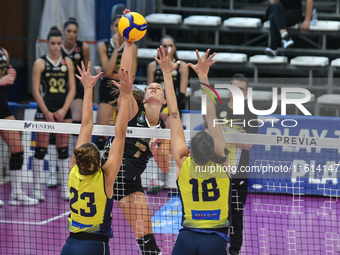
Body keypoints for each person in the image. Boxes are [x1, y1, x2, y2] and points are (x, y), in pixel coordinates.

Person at [101, 10, 171, 254]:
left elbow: (165, 167)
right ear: (143, 101)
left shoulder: (163, 132)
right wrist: (129, 41)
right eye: (150, 86)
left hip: (129, 182)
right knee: (96, 234)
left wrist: (156, 148)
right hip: (104, 175)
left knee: (148, 243)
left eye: (157, 87)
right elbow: (127, 75)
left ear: (163, 101)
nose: (152, 87)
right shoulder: (132, 111)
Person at [154, 47, 231, 255]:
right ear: (213, 149)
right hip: (215, 240)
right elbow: (211, 117)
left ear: (190, 151)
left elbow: (174, 114)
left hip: (187, 238)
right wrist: (203, 77)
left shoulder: (182, 161)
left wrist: (167, 75)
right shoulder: (222, 162)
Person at [61, 59, 132, 254]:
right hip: (94, 246)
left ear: (77, 160)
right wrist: (125, 95)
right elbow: (121, 133)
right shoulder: (105, 179)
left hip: (69, 246)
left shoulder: (73, 171)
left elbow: (86, 125)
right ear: (100, 163)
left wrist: (88, 88)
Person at [215, 74, 258, 255]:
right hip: (218, 172)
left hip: (238, 173)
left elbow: (248, 145)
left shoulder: (250, 115)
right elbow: (211, 139)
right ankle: (216, 246)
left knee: (237, 216)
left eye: (241, 89)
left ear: (246, 92)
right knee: (217, 214)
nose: (238, 92)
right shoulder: (219, 111)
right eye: (235, 88)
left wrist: (236, 135)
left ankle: (234, 251)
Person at [32, 26, 76, 201]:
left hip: (63, 110)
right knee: (41, 149)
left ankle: (66, 187)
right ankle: (36, 188)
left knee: (63, 150)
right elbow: (35, 91)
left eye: (58, 43)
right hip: (45, 110)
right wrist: (47, 112)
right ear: (47, 43)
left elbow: (73, 88)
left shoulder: (68, 62)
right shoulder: (40, 63)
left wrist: (64, 109)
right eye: (53, 43)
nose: (56, 47)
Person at [46, 18, 91, 188]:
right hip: (58, 93)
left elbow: (86, 71)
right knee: (54, 128)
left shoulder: (83, 47)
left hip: (77, 90)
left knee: (76, 123)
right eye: (69, 31)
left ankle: (74, 166)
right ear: (64, 32)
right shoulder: (56, 47)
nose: (71, 34)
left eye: (74, 31)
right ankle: (53, 172)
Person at [147, 35, 189, 194]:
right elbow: (149, 92)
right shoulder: (153, 66)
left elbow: (182, 95)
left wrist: (166, 111)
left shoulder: (182, 66)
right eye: (164, 45)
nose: (167, 48)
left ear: (175, 48)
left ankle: (169, 181)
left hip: (174, 111)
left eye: (170, 45)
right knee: (156, 143)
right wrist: (157, 111)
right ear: (159, 48)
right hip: (156, 111)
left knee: (172, 144)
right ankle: (158, 179)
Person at [0, 48, 38, 206]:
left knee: (18, 148)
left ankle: (16, 192)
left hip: (3, 108)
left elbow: (4, 81)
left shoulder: (4, 52)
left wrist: (10, 79)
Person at [95, 13, 138, 151]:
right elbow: (107, 71)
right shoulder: (103, 45)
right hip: (107, 88)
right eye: (116, 26)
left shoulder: (132, 47)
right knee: (101, 135)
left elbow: (131, 76)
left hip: (124, 89)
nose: (119, 29)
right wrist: (115, 49)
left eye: (122, 25)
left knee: (122, 132)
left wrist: (111, 74)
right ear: (111, 27)